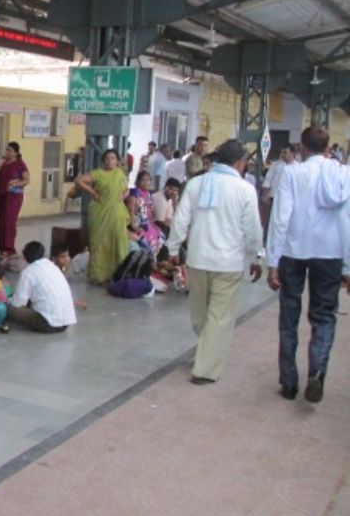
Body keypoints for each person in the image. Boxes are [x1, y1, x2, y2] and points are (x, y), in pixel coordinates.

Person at [167, 139, 263, 385]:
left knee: (201, 314)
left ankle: (205, 362)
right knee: (218, 318)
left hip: (198, 260)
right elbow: (252, 230)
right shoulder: (245, 190)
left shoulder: (196, 184)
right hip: (228, 264)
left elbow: (180, 219)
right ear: (240, 163)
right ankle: (207, 362)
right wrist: (255, 256)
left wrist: (173, 249)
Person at [266, 126, 350, 403]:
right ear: (328, 147)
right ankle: (316, 373)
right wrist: (348, 266)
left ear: (302, 146)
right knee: (324, 316)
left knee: (289, 316)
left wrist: (272, 260)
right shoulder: (343, 174)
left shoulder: (292, 173)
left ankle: (289, 383)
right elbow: (348, 220)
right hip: (330, 253)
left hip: (294, 251)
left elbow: (281, 217)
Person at [75, 149, 129, 284]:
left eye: (112, 158)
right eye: (107, 159)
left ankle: (119, 274)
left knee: (118, 241)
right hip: (100, 212)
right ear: (103, 161)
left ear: (117, 161)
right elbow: (79, 180)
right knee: (99, 243)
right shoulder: (98, 173)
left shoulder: (120, 174)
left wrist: (123, 196)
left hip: (117, 213)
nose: (110, 161)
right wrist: (93, 192)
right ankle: (98, 276)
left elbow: (126, 189)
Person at [7, 241, 77, 333]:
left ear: (25, 257)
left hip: (47, 324)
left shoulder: (28, 272)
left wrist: (7, 300)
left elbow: (18, 303)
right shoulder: (52, 266)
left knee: (8, 308)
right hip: (66, 323)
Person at [0, 141, 30, 256]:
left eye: (9, 150)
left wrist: (15, 184)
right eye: (6, 150)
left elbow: (26, 180)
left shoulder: (20, 164)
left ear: (15, 153)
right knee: (2, 222)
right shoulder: (4, 163)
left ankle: (9, 248)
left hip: (13, 196)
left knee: (9, 222)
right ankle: (2, 247)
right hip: (2, 195)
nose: (7, 152)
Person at [126, 170, 163, 253]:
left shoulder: (148, 194)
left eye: (148, 180)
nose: (146, 182)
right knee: (147, 243)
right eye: (143, 180)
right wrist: (134, 227)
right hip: (136, 225)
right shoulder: (134, 192)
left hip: (147, 225)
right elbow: (130, 210)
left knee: (161, 236)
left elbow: (149, 213)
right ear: (138, 181)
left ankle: (154, 262)